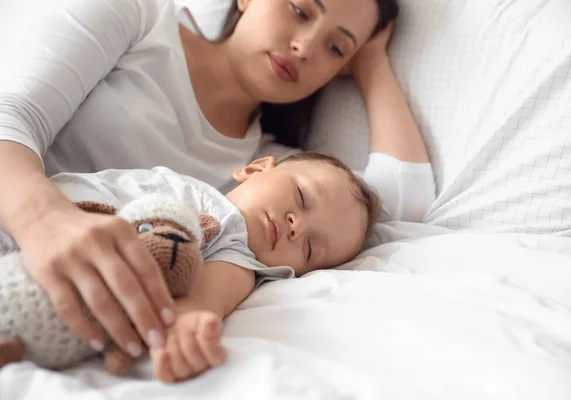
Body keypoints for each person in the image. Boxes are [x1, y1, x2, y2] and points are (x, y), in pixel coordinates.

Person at [0, 0, 435, 374]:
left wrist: (372, 64)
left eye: (335, 47)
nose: (304, 48)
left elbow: (399, 199)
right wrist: (44, 220)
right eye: (300, 9)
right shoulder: (140, 17)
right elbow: (12, 114)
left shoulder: (270, 173)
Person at [1, 150, 380, 381]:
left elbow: (212, 293)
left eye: (312, 248)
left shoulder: (239, 254)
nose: (299, 226)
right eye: (301, 196)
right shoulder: (195, 196)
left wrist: (191, 317)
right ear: (255, 168)